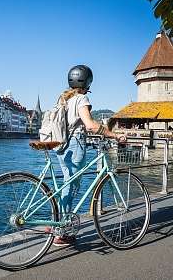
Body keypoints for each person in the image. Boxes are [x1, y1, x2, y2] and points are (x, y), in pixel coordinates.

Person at [53, 65, 126, 247]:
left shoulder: (63, 98)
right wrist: (114, 135)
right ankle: (61, 230)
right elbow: (90, 124)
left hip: (61, 145)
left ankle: (60, 222)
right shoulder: (81, 98)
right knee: (72, 185)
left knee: (67, 184)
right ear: (87, 82)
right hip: (75, 144)